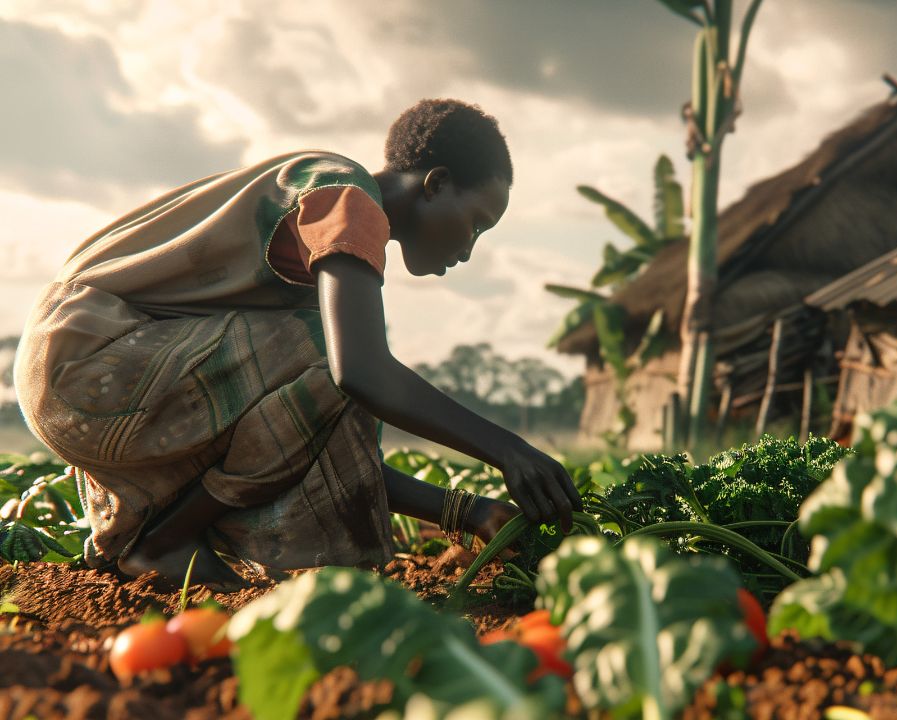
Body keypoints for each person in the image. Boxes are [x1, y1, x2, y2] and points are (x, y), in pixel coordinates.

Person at [14, 98, 582, 591]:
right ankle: (166, 541)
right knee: (337, 358)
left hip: (90, 373)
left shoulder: (318, 267)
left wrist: (469, 510)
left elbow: (324, 433)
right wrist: (511, 451)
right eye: (477, 223)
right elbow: (360, 371)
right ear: (435, 184)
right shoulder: (345, 197)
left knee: (332, 396)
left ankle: (159, 543)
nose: (469, 249)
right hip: (83, 358)